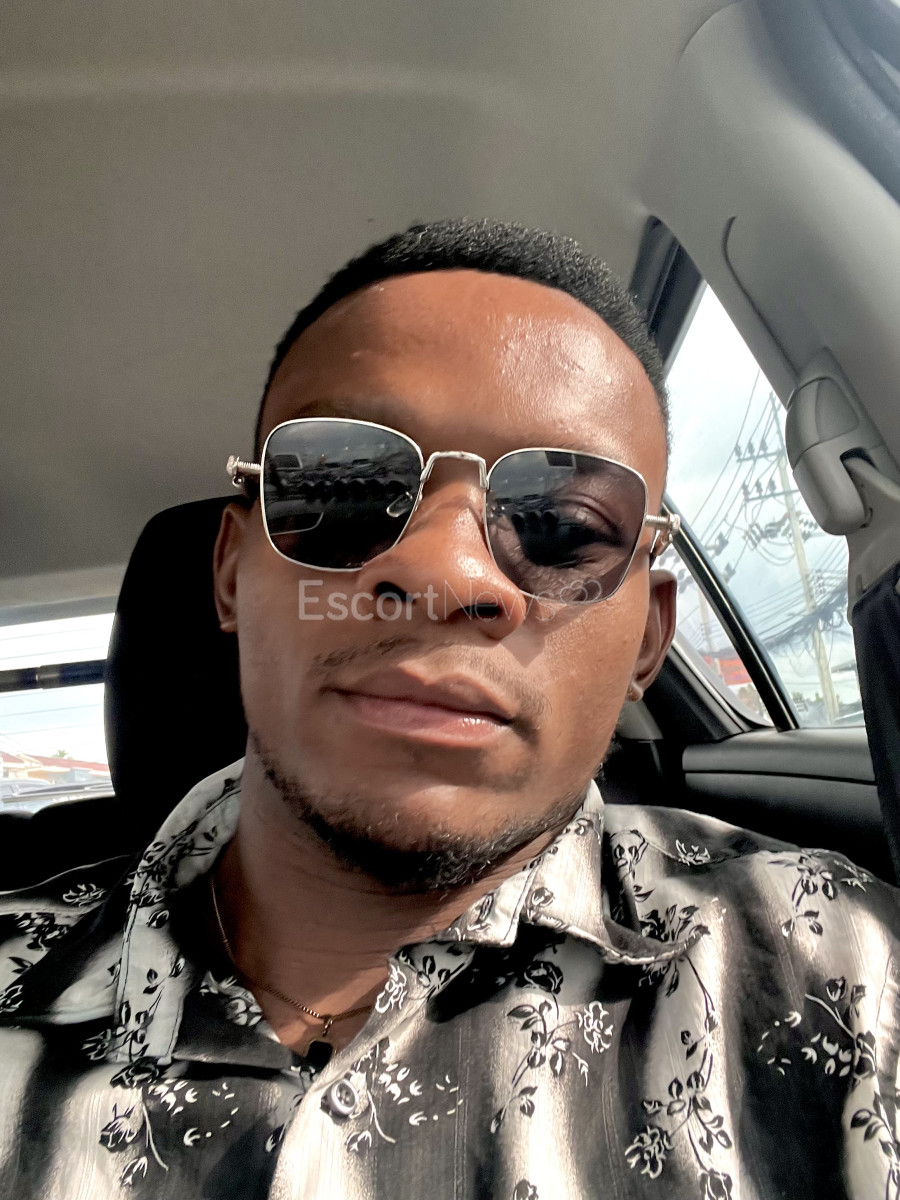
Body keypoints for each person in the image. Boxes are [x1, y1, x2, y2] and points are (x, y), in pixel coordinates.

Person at [0, 219, 897, 1200]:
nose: (444, 573)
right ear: (231, 576)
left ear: (647, 638)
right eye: (343, 490)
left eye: (560, 524)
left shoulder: (842, 970)